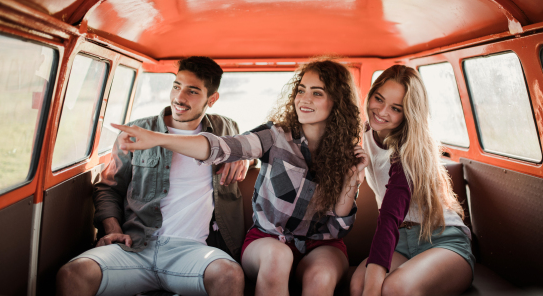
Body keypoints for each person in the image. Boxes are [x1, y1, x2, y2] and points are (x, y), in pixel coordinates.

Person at [112, 59, 369, 296]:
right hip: (267, 240)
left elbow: (337, 229)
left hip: (321, 246)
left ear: (337, 102)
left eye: (317, 93)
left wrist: (351, 180)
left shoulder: (347, 154)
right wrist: (158, 138)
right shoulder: (274, 135)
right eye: (301, 90)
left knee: (321, 277)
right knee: (277, 259)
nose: (304, 99)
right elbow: (221, 148)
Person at [56, 56, 249, 296]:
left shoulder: (225, 130)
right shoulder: (138, 131)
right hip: (136, 246)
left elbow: (250, 142)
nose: (179, 98)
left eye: (192, 91)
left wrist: (243, 155)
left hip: (193, 252)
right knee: (73, 274)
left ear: (212, 99)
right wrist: (113, 229)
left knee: (229, 275)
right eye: (177, 86)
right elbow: (108, 188)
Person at [350, 65, 474, 296]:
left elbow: (388, 217)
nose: (382, 111)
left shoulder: (408, 151)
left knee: (395, 289)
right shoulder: (364, 133)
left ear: (408, 113)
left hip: (442, 240)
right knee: (357, 286)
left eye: (395, 108)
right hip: (400, 242)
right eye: (379, 99)